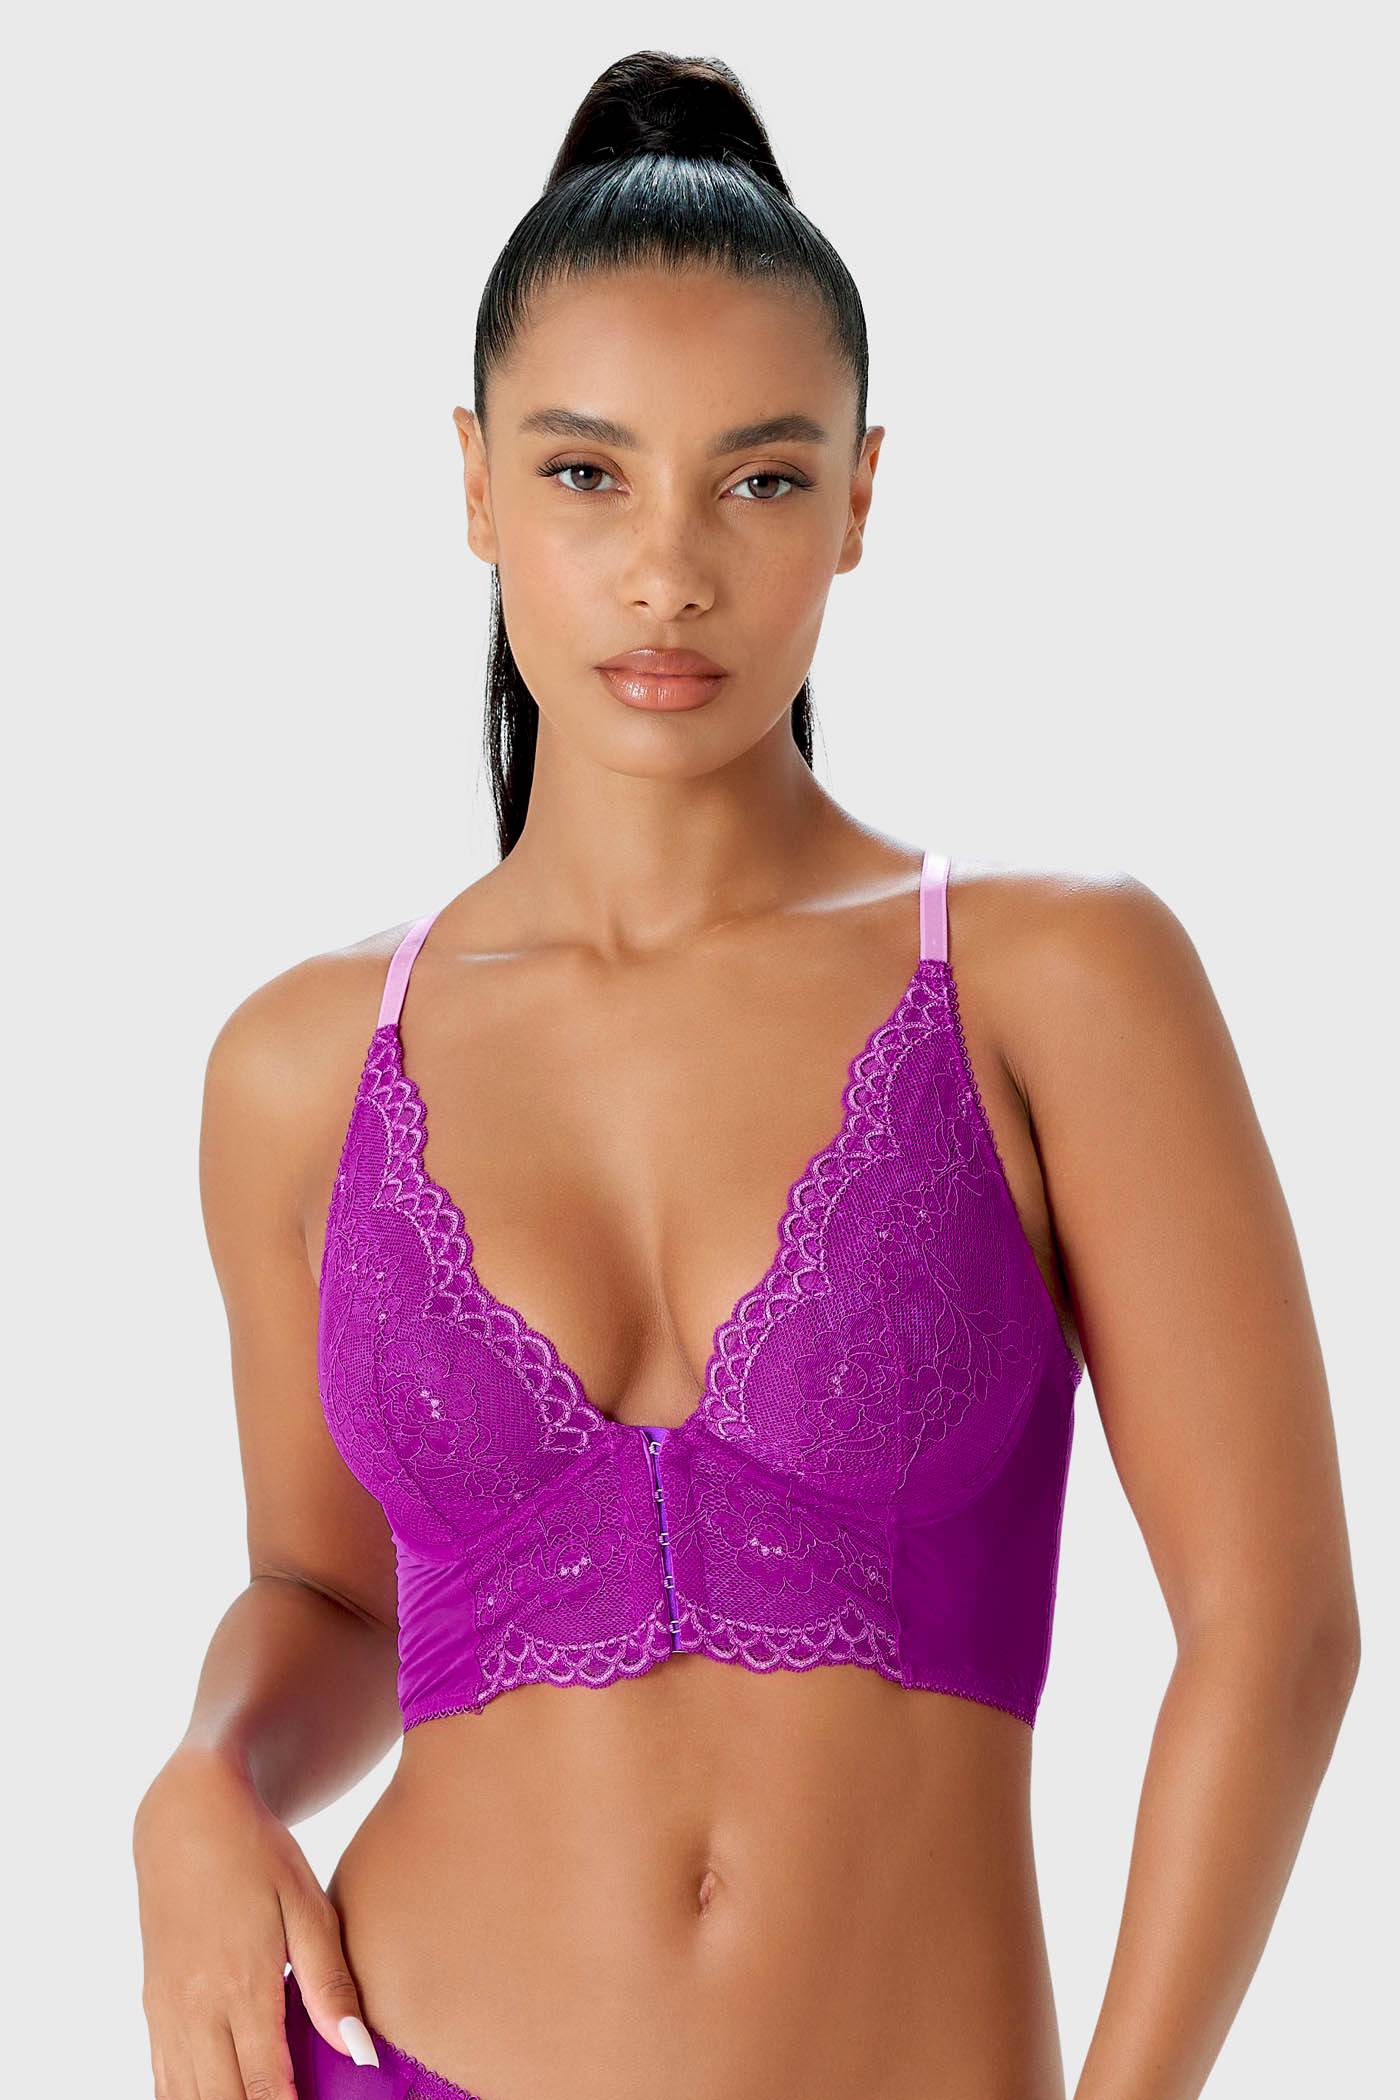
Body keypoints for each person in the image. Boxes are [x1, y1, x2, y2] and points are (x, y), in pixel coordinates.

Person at [131, 47, 1360, 2100]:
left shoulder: (1053, 981)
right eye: (586, 474)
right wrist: (202, 1777)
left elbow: (1277, 1628)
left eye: (761, 480)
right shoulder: (300, 1064)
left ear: (861, 496)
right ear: (473, 482)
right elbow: (326, 1593)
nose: (670, 570)